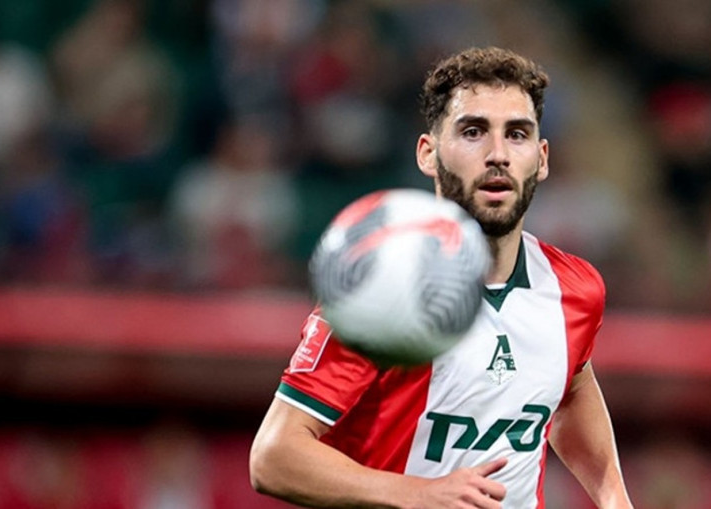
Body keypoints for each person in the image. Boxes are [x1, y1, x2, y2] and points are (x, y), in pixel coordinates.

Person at [249, 46, 633, 509]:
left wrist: (615, 499)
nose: (498, 155)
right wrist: (421, 494)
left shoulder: (575, 290)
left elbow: (571, 387)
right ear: (428, 154)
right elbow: (273, 457)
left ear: (542, 157)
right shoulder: (379, 287)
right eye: (473, 132)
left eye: (517, 134)